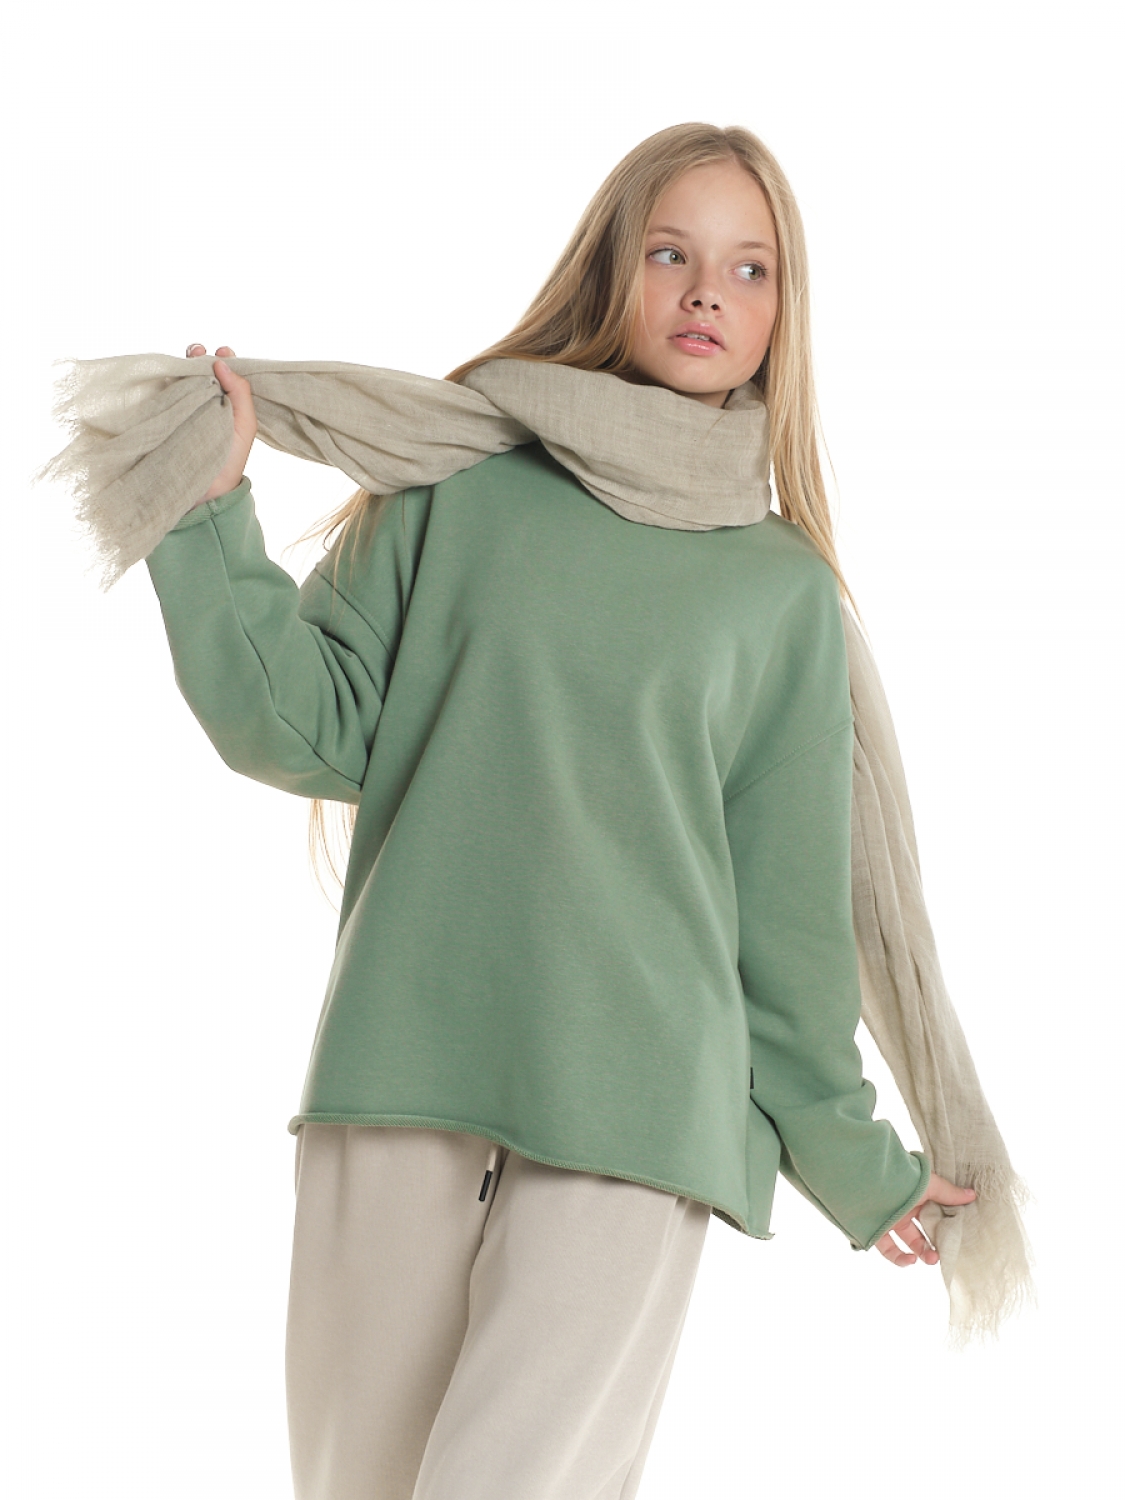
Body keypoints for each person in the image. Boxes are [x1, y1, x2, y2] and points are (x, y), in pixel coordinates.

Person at [146, 123, 977, 1500]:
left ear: (786, 309)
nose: (708, 293)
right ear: (611, 272)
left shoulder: (779, 595)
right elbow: (298, 725)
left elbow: (785, 933)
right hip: (401, 1073)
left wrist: (862, 1166)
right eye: (671, 254)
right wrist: (207, 507)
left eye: (751, 268)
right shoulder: (461, 488)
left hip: (639, 1123)